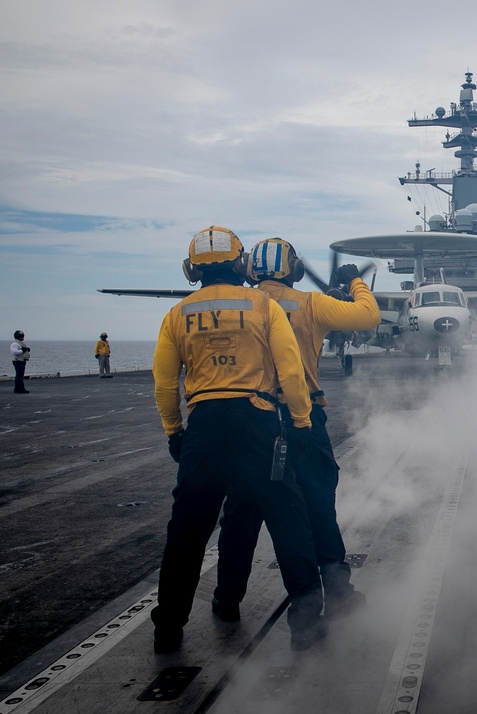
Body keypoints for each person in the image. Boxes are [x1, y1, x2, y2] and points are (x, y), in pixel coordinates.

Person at [150, 226, 324, 654]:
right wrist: (301, 423)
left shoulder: (178, 315)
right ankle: (305, 623)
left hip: (205, 426)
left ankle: (169, 628)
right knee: (287, 516)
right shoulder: (264, 305)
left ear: (192, 270)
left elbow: (164, 384)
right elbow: (290, 370)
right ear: (241, 264)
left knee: (188, 530)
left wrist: (175, 432)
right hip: (258, 422)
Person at [213, 237, 380, 623]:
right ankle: (338, 594)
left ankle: (227, 600)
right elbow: (368, 316)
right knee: (318, 504)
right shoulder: (309, 304)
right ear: (296, 271)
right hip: (302, 415)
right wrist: (354, 280)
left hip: (250, 418)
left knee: (242, 510)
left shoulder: (243, 305)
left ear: (251, 271)